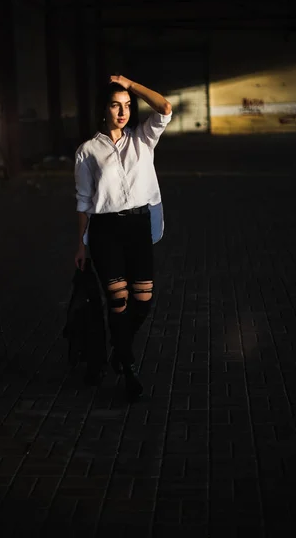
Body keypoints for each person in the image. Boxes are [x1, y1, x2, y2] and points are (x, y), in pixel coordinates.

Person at [74, 74, 172, 399]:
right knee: (118, 302)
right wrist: (81, 245)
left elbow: (165, 106)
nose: (122, 111)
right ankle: (128, 368)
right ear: (103, 109)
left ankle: (116, 350)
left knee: (142, 302)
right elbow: (84, 202)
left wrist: (131, 85)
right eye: (115, 105)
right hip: (105, 232)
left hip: (138, 228)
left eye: (127, 106)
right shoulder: (87, 151)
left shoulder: (143, 138)